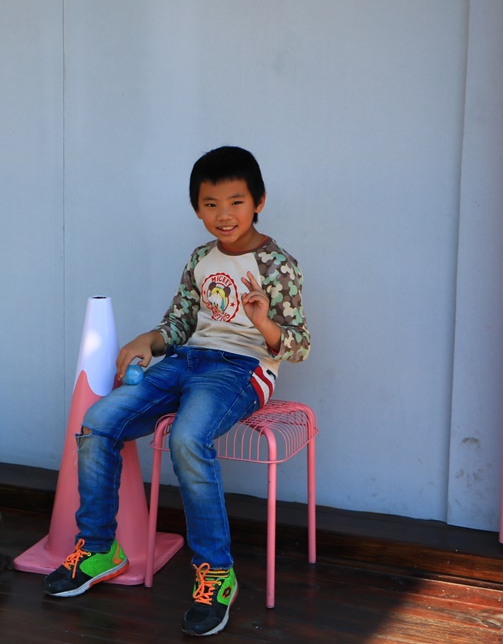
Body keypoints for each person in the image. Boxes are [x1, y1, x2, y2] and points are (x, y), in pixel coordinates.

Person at [43, 145, 310, 637]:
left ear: (259, 201)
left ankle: (215, 573)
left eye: (235, 201)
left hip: (241, 370)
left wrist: (263, 322)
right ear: (197, 209)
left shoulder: (277, 264)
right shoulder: (200, 259)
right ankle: (100, 547)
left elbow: (297, 345)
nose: (223, 214)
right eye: (211, 204)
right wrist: (149, 340)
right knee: (99, 422)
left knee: (189, 438)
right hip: (186, 361)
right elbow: (182, 322)